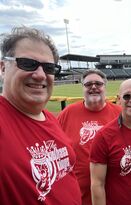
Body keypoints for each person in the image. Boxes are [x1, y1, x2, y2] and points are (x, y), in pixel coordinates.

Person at [0, 26, 81, 204]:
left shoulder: (50, 118)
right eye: (27, 63)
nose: (40, 75)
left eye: (49, 67)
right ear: (3, 68)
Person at [57, 69, 121, 205]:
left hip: (115, 193)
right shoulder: (67, 113)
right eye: (88, 84)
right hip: (78, 194)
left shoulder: (119, 114)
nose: (93, 87)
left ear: (105, 87)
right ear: (83, 88)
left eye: (98, 83)